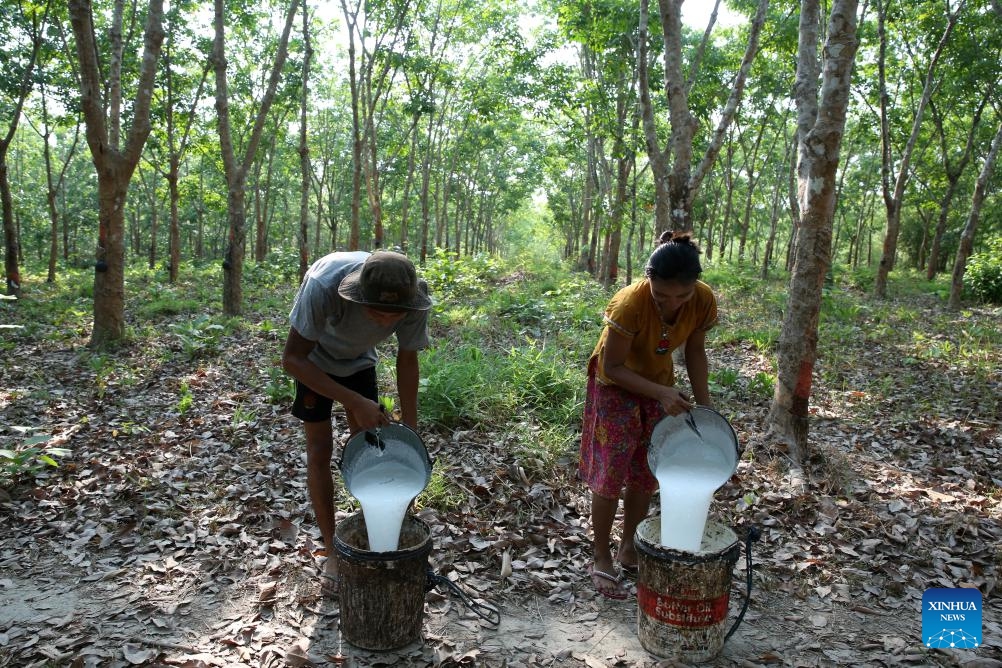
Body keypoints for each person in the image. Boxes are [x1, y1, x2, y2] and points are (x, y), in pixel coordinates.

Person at [282, 249, 432, 595]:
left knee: (371, 452)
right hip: (314, 360)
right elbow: (292, 358)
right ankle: (333, 552)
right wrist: (355, 401)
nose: (382, 322)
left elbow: (407, 360)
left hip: (359, 361)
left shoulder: (415, 298)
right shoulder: (323, 286)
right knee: (320, 450)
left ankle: (374, 539)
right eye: (375, 313)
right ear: (357, 296)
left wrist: (411, 427)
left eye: (391, 317)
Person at [579, 231, 717, 600]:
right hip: (615, 386)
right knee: (611, 470)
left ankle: (629, 547)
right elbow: (613, 366)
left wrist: (705, 409)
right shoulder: (629, 304)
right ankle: (601, 554)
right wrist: (661, 393)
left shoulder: (703, 300)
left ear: (695, 287)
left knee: (645, 469)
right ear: (648, 281)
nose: (672, 303)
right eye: (662, 296)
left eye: (682, 296)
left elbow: (695, 353)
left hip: (658, 381)